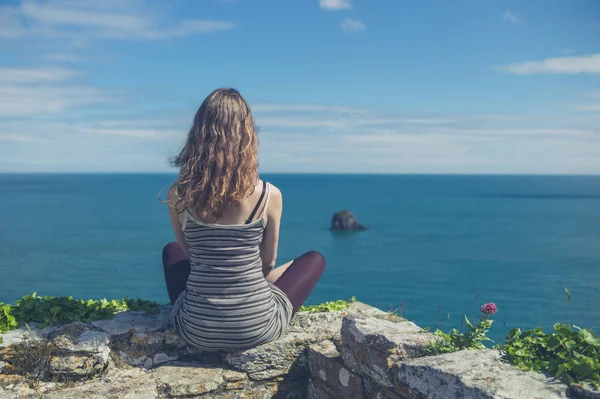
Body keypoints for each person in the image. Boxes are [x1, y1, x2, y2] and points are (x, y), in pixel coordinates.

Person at [162, 88, 326, 351]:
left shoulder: (178, 195)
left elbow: (191, 256)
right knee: (315, 259)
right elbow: (268, 262)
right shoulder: (269, 195)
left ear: (198, 135)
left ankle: (209, 309)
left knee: (171, 251)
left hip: (196, 330)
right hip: (256, 328)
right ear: (247, 135)